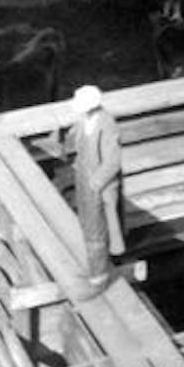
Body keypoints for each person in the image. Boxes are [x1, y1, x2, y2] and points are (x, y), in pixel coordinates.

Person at [69, 85, 125, 295]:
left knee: (97, 234)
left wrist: (95, 183)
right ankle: (94, 269)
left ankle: (98, 281)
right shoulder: (84, 121)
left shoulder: (107, 124)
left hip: (98, 187)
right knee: (87, 227)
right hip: (84, 180)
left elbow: (113, 162)